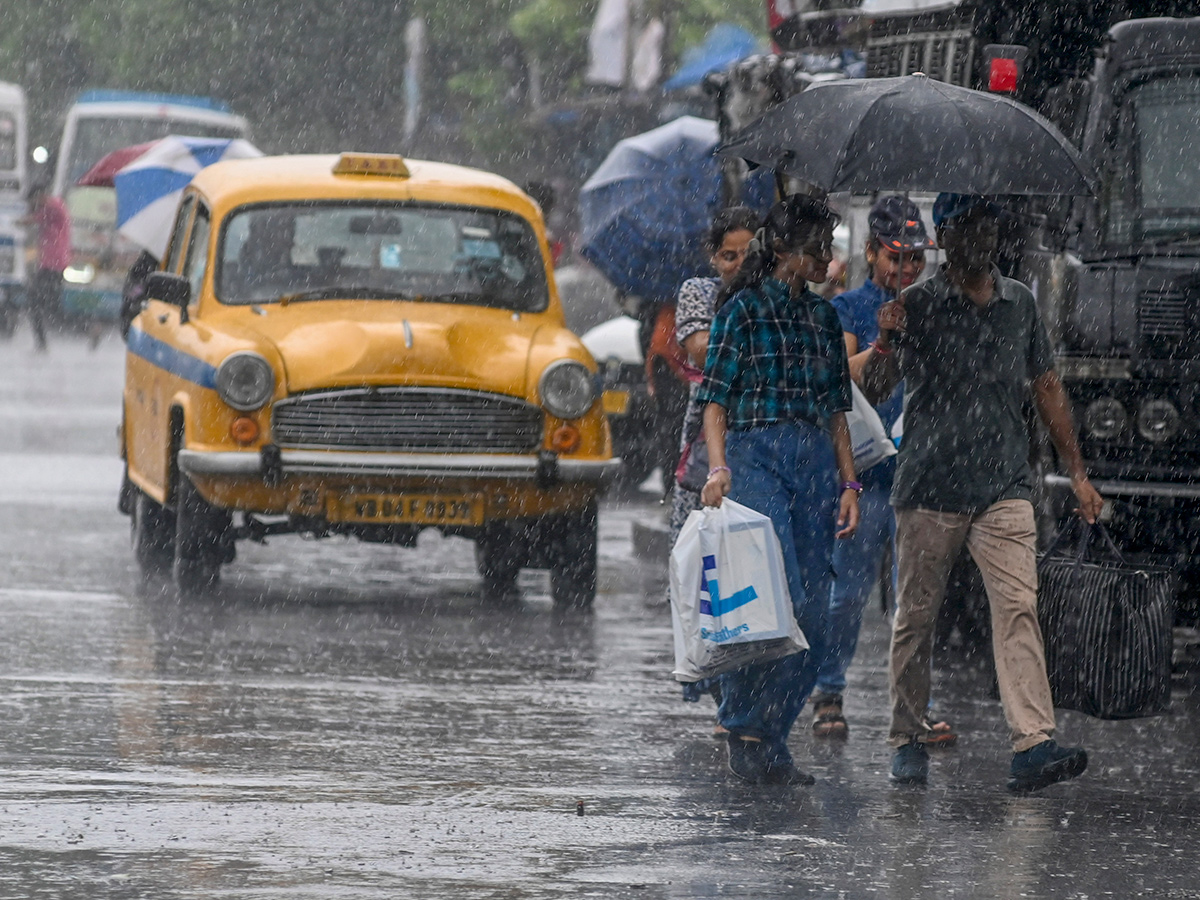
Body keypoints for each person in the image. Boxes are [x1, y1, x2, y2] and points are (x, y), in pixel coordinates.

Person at [863, 193, 1104, 792]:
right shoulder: (915, 304)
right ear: (943, 236)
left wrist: (1076, 471)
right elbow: (873, 386)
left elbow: (1046, 386)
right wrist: (887, 337)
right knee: (916, 619)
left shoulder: (1019, 302)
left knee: (1019, 607)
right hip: (929, 484)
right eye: (969, 229)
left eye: (990, 228)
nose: (983, 240)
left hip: (1004, 484)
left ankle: (1033, 742)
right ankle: (907, 733)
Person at [698, 195, 861, 786]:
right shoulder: (740, 313)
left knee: (816, 613)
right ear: (787, 252)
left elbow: (839, 413)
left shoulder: (824, 320)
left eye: (829, 248)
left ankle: (769, 733)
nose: (828, 259)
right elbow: (714, 402)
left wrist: (850, 483)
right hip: (753, 458)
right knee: (772, 598)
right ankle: (742, 718)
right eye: (818, 248)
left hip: (815, 463)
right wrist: (718, 470)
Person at [811, 196, 956, 742]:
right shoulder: (848, 308)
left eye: (916, 258)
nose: (907, 270)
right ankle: (828, 692)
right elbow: (841, 375)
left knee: (914, 597)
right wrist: (882, 341)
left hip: (919, 472)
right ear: (871, 253)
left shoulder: (935, 306)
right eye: (896, 258)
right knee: (846, 593)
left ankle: (918, 704)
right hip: (866, 475)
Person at [668, 206, 758, 722]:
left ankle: (741, 695)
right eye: (729, 254)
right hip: (704, 449)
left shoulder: (776, 296)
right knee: (700, 569)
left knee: (748, 577)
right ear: (713, 257)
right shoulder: (699, 293)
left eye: (748, 254)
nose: (738, 263)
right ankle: (715, 677)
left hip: (758, 443)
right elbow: (701, 349)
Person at [24, 182, 70, 351]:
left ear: (40, 195)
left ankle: (41, 343)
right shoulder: (53, 206)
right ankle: (41, 342)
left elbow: (30, 220)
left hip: (53, 264)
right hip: (51, 263)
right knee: (47, 303)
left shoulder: (53, 206)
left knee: (38, 302)